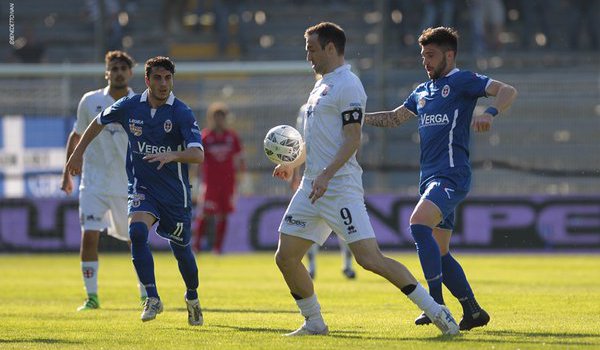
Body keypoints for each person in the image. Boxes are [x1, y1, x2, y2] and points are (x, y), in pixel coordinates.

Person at [272, 22, 459, 337]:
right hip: (312, 187)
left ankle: (436, 311)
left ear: (331, 48)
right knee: (286, 257)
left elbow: (352, 139)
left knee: (370, 259)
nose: (308, 57)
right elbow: (318, 139)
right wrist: (294, 163)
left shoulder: (349, 85)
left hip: (339, 187)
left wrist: (327, 175)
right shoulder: (320, 85)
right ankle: (314, 322)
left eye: (312, 50)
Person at [364, 26, 517, 331]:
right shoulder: (422, 91)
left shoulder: (462, 81)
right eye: (423, 56)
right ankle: (472, 311)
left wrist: (489, 112)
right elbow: (395, 118)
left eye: (431, 55)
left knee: (418, 225)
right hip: (429, 178)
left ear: (450, 55)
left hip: (452, 175)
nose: (426, 61)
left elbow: (507, 91)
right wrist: (358, 118)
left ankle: (435, 305)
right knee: (440, 251)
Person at [66, 56, 205, 326]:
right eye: (158, 78)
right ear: (147, 80)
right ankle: (152, 297)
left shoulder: (181, 112)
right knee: (137, 232)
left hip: (174, 194)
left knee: (182, 253)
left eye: (168, 78)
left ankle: (192, 296)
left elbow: (198, 154)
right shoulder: (131, 106)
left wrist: (172, 155)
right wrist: (78, 153)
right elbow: (97, 121)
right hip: (142, 188)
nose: (163, 84)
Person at [61, 50, 146, 311]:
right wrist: (67, 171)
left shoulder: (141, 102)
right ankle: (92, 297)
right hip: (94, 183)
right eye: (114, 68)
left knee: (136, 238)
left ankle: (146, 293)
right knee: (89, 236)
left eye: (123, 68)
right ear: (107, 72)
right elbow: (76, 136)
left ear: (130, 73)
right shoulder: (90, 101)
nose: (118, 72)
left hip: (127, 185)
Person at [291, 104, 356, 280]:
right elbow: (301, 142)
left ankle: (347, 265)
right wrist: (294, 172)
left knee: (347, 227)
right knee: (305, 227)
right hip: (312, 178)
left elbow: (352, 139)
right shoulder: (306, 108)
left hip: (338, 178)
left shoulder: (342, 104)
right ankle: (311, 267)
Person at [192, 102, 245, 254]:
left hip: (228, 182)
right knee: (205, 214)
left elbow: (240, 158)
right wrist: (195, 179)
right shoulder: (205, 137)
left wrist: (240, 178)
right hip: (210, 183)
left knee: (223, 214)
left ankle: (218, 249)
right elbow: (198, 159)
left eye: (222, 117)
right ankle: (196, 247)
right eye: (216, 118)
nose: (219, 121)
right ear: (211, 119)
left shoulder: (232, 137)